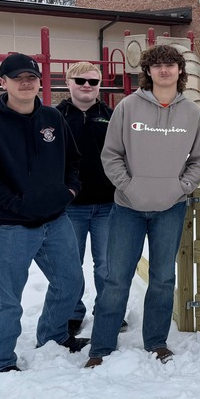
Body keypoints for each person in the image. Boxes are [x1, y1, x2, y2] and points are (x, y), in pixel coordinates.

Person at [85, 44, 200, 367]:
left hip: (170, 207)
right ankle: (101, 346)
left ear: (180, 71)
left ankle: (156, 342)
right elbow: (110, 155)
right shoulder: (128, 108)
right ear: (148, 71)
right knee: (116, 278)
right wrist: (129, 186)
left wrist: (182, 187)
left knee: (163, 278)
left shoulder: (192, 114)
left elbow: (199, 159)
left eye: (170, 64)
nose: (164, 70)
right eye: (157, 65)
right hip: (127, 207)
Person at [0, 52, 88, 372]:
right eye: (17, 78)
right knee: (8, 298)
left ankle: (53, 337)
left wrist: (69, 191)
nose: (25, 83)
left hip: (55, 221)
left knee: (70, 282)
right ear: (2, 82)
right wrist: (17, 204)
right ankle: (0, 359)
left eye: (31, 78)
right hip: (10, 227)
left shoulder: (52, 118)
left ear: (39, 82)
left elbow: (73, 160)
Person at [56, 61, 127, 337]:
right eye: (80, 80)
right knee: (70, 263)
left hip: (107, 204)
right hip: (70, 207)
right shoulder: (55, 116)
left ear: (100, 86)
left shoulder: (112, 116)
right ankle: (72, 312)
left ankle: (107, 311)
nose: (87, 86)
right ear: (68, 82)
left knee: (107, 264)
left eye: (93, 82)